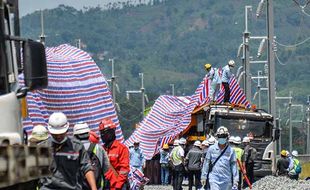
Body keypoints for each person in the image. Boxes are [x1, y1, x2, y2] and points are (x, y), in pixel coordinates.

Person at [39, 112, 97, 190]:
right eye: (55, 134)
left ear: (67, 130)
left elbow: (87, 168)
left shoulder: (77, 147)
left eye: (61, 133)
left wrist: (94, 188)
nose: (58, 136)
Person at [73, 122, 109, 190]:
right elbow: (106, 168)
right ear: (89, 134)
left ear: (75, 136)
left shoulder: (72, 150)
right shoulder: (99, 148)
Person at [99, 118, 130, 190]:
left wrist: (117, 186)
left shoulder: (121, 148)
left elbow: (124, 170)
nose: (102, 135)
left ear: (111, 132)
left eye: (104, 132)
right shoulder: (101, 149)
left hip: (118, 186)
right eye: (101, 133)